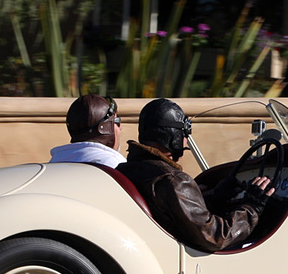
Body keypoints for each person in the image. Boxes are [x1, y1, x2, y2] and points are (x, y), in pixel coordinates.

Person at [116, 98, 273, 252]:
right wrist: (252, 207)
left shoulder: (127, 169)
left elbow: (177, 212)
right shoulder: (174, 181)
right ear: (174, 136)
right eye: (185, 132)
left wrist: (214, 197)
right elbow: (217, 236)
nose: (186, 140)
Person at [49, 94, 126, 169]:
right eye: (117, 122)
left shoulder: (53, 163)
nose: (120, 128)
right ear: (105, 128)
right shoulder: (113, 165)